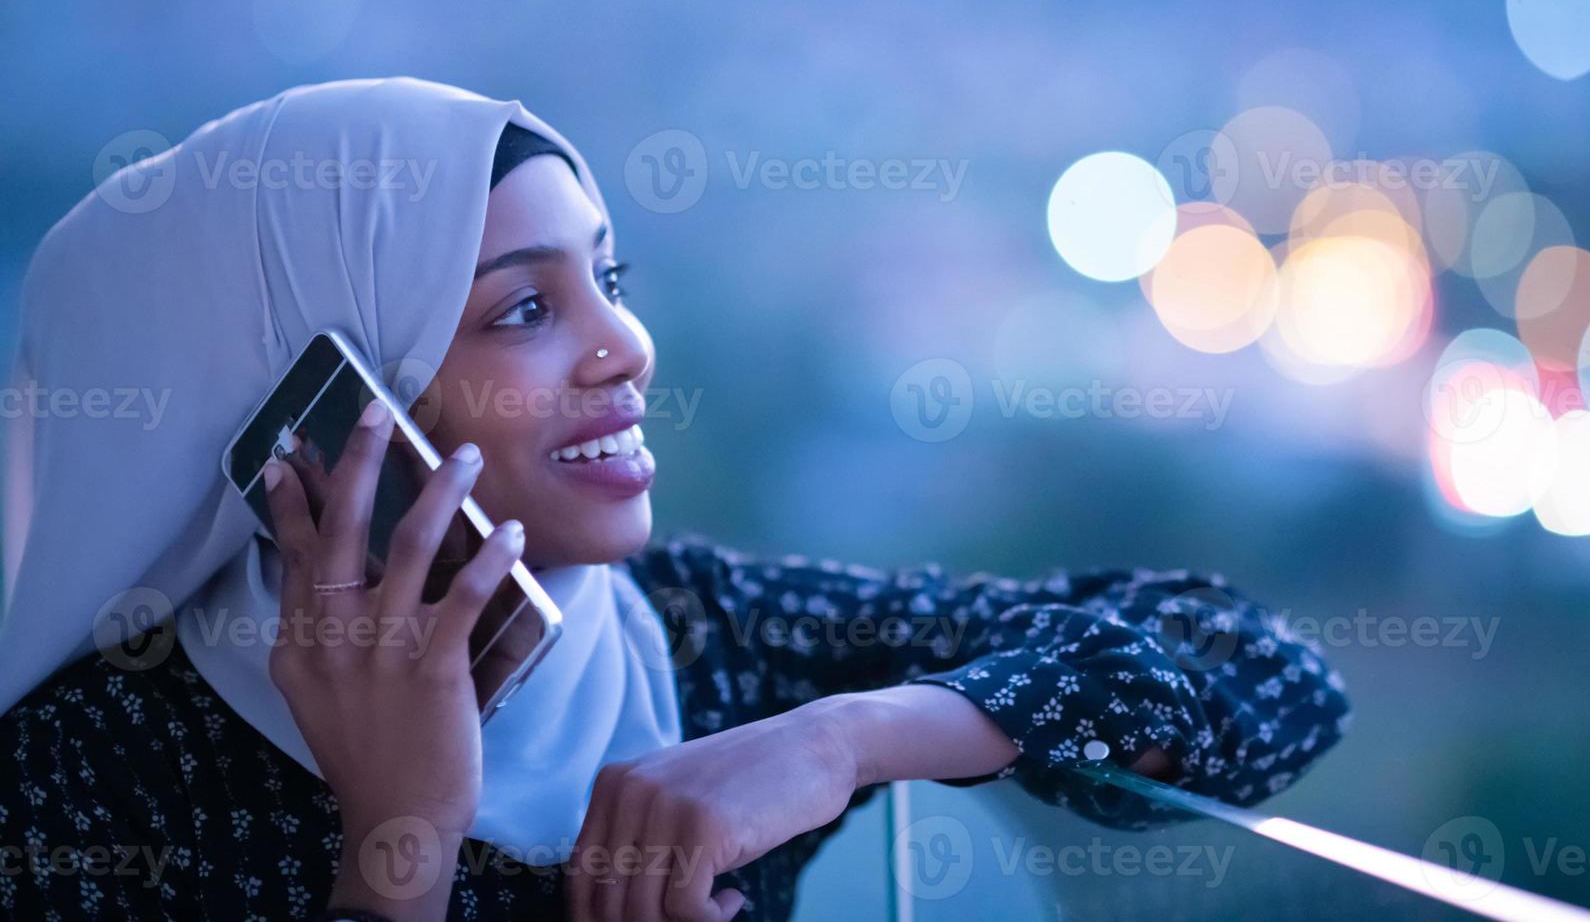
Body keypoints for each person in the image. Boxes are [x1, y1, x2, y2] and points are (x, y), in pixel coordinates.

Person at [0, 78, 1350, 921]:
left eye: (610, 279)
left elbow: (1263, 678)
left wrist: (846, 739)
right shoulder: (83, 779)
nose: (625, 349)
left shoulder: (707, 641)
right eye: (524, 309)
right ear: (323, 408)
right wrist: (394, 846)